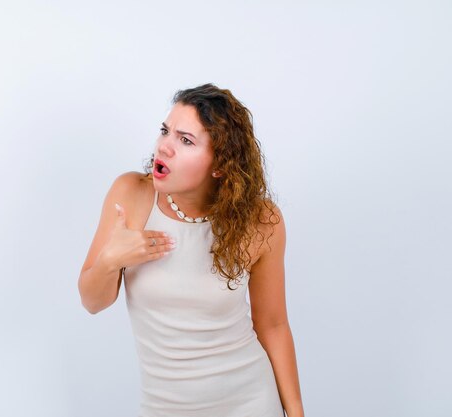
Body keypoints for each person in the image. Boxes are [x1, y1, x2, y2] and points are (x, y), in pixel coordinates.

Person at [78, 83, 304, 417]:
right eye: (165, 131)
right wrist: (111, 261)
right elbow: (92, 302)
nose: (164, 147)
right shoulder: (131, 195)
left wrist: (296, 412)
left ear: (220, 165)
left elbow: (272, 325)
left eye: (185, 140)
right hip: (165, 408)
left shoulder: (261, 220)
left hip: (250, 402)